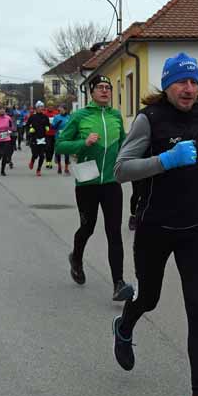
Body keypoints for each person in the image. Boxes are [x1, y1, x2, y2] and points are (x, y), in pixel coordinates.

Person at [113, 53, 198, 396]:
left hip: (195, 227)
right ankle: (126, 324)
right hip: (155, 227)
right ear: (167, 86)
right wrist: (165, 160)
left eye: (194, 82)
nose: (189, 88)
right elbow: (121, 169)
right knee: (149, 297)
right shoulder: (149, 120)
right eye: (181, 82)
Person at [55, 75, 135, 303]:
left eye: (108, 88)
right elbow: (61, 144)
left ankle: (118, 283)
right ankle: (76, 258)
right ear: (91, 92)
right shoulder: (80, 116)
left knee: (114, 232)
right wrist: (83, 143)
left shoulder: (116, 116)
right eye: (100, 87)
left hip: (111, 183)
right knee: (87, 227)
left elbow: (123, 145)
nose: (105, 91)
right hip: (87, 182)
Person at [26, 101, 49, 176]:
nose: (41, 108)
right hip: (34, 138)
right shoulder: (32, 117)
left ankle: (38, 169)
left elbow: (48, 124)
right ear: (36, 108)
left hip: (42, 138)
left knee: (42, 155)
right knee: (35, 154)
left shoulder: (45, 117)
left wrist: (47, 127)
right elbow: (27, 125)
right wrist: (30, 129)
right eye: (39, 107)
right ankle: (32, 161)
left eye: (42, 107)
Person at [51, 104, 71, 175]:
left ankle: (66, 168)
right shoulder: (56, 117)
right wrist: (57, 124)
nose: (60, 110)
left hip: (67, 137)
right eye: (60, 109)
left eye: (61, 109)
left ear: (65, 109)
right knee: (59, 153)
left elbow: (72, 127)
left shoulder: (69, 117)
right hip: (58, 137)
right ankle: (59, 167)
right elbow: (53, 127)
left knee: (67, 153)